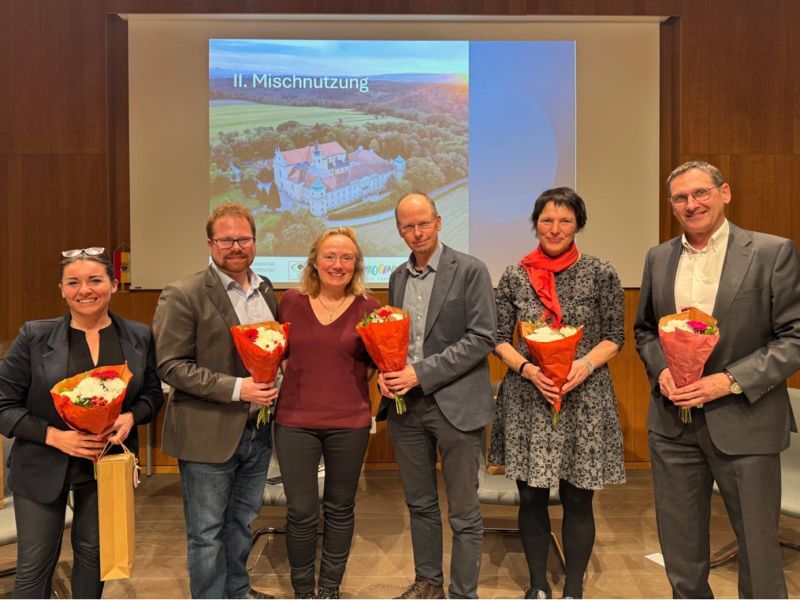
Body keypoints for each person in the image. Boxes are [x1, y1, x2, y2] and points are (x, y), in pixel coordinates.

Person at [634, 161, 800, 598]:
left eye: (701, 193)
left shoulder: (771, 251)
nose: (692, 204)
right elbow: (646, 330)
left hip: (746, 421)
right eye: (681, 198)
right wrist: (663, 371)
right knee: (681, 553)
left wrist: (727, 381)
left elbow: (795, 338)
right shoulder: (658, 256)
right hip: (672, 425)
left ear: (724, 193)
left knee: (759, 555)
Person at [0, 247, 163, 598]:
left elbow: (152, 393)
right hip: (42, 464)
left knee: (93, 555)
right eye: (73, 282)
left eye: (95, 280)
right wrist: (55, 437)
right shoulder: (34, 336)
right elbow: (3, 404)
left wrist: (132, 417)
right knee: (36, 563)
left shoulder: (138, 336)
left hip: (106, 466)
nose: (84, 290)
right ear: (61, 289)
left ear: (113, 285)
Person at [488, 187, 626, 599]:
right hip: (530, 397)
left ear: (578, 225)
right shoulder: (514, 274)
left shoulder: (601, 271)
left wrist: (583, 365)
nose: (555, 228)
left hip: (584, 396)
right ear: (535, 224)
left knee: (579, 498)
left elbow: (615, 336)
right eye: (547, 220)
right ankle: (535, 586)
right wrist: (530, 370)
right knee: (530, 497)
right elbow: (497, 338)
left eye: (565, 220)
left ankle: (575, 588)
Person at [152, 201, 279, 599]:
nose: (236, 246)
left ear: (255, 241)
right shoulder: (183, 294)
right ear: (210, 243)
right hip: (208, 432)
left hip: (258, 431)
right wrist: (239, 388)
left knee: (242, 522)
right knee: (206, 533)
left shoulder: (267, 290)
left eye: (243, 238)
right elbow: (170, 366)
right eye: (226, 239)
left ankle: (237, 590)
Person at [377, 192, 497, 599]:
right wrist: (385, 374)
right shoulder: (396, 277)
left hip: (457, 406)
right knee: (420, 504)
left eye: (423, 223)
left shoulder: (470, 270)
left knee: (464, 512)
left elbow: (482, 338)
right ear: (399, 230)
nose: (416, 232)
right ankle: (428, 583)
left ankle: (464, 593)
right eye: (407, 226)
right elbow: (394, 342)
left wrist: (418, 373)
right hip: (406, 408)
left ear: (439, 221)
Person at [275, 227, 380, 599]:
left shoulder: (369, 308)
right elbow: (277, 354)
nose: (338, 265)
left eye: (346, 258)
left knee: (339, 508)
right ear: (314, 262)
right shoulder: (288, 301)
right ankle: (303, 590)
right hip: (293, 423)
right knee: (301, 511)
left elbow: (374, 363)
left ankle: (330, 589)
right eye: (330, 257)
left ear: (356, 265)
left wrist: (342, 386)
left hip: (348, 423)